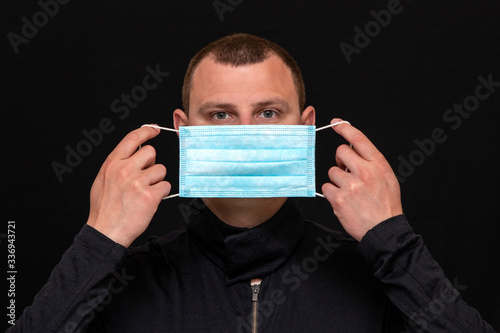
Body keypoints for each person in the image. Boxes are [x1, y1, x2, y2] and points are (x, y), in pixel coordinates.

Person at [8, 33, 496, 333]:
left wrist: (393, 240)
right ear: (183, 130)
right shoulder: (121, 280)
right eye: (220, 115)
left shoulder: (378, 278)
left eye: (267, 112)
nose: (244, 131)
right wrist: (100, 241)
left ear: (306, 128)